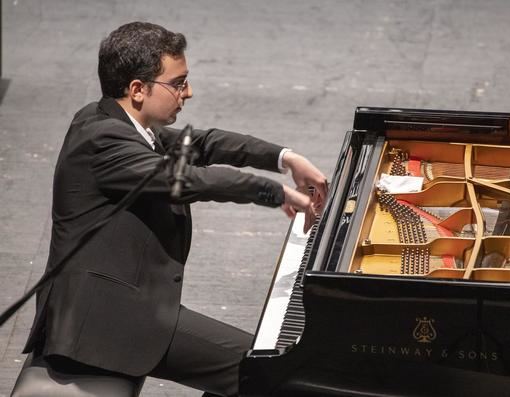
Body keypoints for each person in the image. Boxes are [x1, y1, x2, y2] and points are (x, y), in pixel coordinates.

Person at [21, 21, 327, 396]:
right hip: (105, 321)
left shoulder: (112, 120)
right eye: (178, 83)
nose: (189, 92)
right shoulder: (103, 140)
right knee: (271, 371)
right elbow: (186, 180)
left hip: (126, 302)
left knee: (261, 367)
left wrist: (284, 157)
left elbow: (202, 143)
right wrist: (276, 193)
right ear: (137, 89)